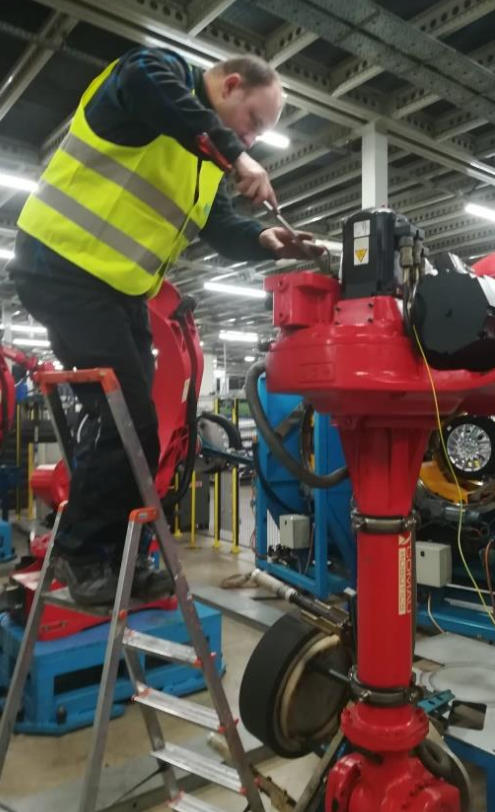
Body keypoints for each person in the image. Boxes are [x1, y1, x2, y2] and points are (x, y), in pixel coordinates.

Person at [8, 47, 321, 605]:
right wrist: (235, 154)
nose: (250, 139)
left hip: (119, 291)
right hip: (61, 265)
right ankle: (81, 553)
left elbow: (219, 227)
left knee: (141, 427)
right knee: (124, 416)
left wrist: (264, 240)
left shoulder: (202, 162)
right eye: (252, 121)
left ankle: (115, 558)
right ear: (229, 85)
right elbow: (144, 83)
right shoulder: (158, 75)